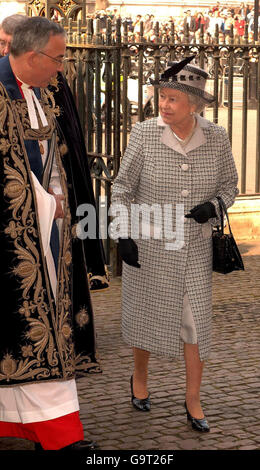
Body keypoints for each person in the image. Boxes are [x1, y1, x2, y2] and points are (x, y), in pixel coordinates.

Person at [111, 56, 238, 431]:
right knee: (146, 316)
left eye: (172, 99)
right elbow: (122, 188)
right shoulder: (144, 134)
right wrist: (123, 234)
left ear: (194, 106)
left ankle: (193, 399)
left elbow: (229, 186)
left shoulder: (217, 137)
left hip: (195, 249)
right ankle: (139, 378)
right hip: (150, 244)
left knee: (194, 323)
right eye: (161, 97)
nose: (163, 105)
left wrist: (213, 205)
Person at [0, 16, 104, 451]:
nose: (61, 68)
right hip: (18, 238)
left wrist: (64, 204)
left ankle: (53, 431)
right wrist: (47, 204)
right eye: (57, 59)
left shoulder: (42, 91)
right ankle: (53, 434)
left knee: (47, 330)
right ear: (30, 56)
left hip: (52, 238)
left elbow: (58, 157)